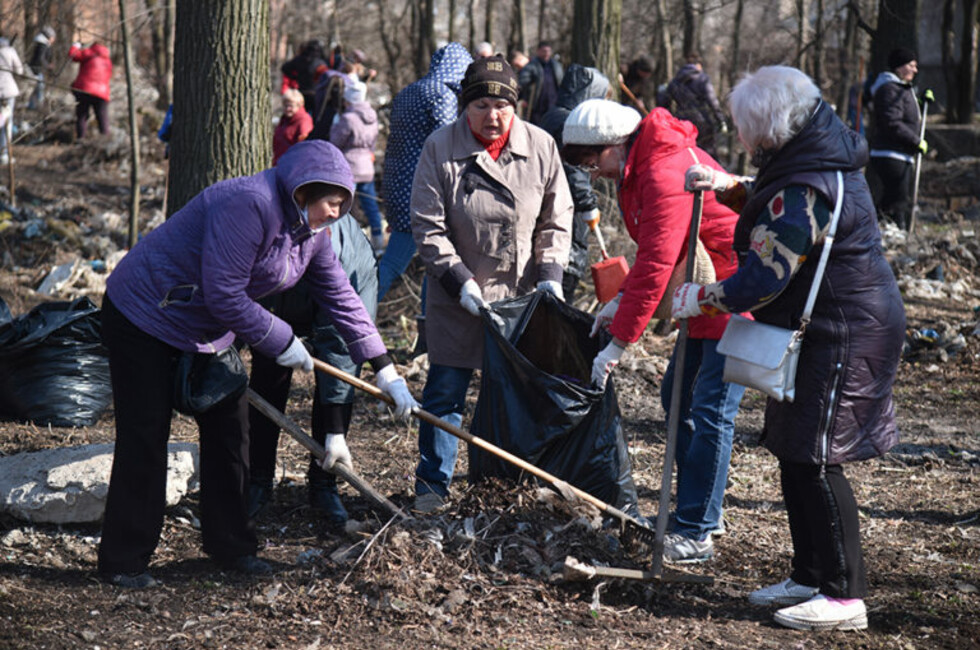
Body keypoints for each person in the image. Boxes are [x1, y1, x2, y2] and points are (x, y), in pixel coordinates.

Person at [97, 140, 418, 588]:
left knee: (231, 431)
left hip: (204, 326)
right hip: (146, 312)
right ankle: (123, 560)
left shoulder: (312, 235)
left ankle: (231, 547)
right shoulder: (249, 204)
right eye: (332, 202)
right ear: (305, 189)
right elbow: (224, 291)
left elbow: (343, 298)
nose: (337, 213)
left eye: (345, 204)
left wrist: (386, 370)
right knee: (146, 434)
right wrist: (281, 340)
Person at [675, 66, 904, 631]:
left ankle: (844, 595)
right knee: (793, 447)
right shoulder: (814, 153)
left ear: (769, 127)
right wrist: (730, 187)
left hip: (844, 331)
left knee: (819, 458)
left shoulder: (810, 181)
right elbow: (778, 204)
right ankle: (808, 574)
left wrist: (702, 296)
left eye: (746, 131)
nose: (745, 142)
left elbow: (767, 275)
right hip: (821, 323)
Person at [560, 99, 746, 563]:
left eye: (590, 159)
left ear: (614, 144)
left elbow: (659, 263)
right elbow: (654, 255)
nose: (590, 172)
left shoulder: (662, 172)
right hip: (701, 292)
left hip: (735, 291)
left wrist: (619, 343)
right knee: (677, 398)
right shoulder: (641, 166)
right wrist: (621, 300)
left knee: (709, 411)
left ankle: (698, 529)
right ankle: (697, 509)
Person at [410, 55, 573, 512]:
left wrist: (551, 277)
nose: (493, 116)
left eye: (502, 105)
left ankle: (503, 486)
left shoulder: (541, 146)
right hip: (457, 298)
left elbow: (556, 219)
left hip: (521, 301)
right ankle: (432, 487)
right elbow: (427, 226)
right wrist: (458, 280)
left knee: (514, 398)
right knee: (445, 392)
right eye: (481, 104)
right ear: (465, 106)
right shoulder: (439, 148)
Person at [247, 209, 379, 530]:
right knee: (270, 368)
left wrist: (335, 435)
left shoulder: (350, 266)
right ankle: (257, 480)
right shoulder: (271, 240)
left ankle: (323, 484)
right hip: (279, 289)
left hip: (340, 291)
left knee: (337, 379)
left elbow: (341, 353)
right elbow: (243, 307)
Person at [378, 42, 472, 301]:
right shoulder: (443, 95)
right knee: (418, 261)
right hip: (424, 190)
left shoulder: (408, 92)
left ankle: (426, 324)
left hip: (397, 184)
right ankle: (353, 319)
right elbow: (445, 144)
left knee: (414, 260)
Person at [538, 65, 611, 300]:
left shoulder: (553, 115)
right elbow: (573, 168)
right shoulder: (568, 123)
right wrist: (588, 203)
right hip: (563, 220)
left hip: (550, 213)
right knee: (559, 295)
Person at [867, 48, 928, 231]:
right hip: (890, 154)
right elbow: (891, 122)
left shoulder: (899, 89)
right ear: (900, 67)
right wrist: (915, 141)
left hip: (899, 154)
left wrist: (921, 101)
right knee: (898, 200)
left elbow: (905, 112)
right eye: (912, 65)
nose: (915, 70)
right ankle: (894, 232)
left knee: (893, 198)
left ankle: (878, 230)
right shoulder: (889, 89)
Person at [330, 80, 385, 253]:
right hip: (366, 167)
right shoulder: (372, 117)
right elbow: (373, 142)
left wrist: (335, 124)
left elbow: (336, 141)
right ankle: (378, 240)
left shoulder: (348, 118)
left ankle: (345, 242)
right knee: (371, 205)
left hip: (349, 168)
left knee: (344, 206)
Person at [658, 52, 727, 158]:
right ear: (698, 65)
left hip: (682, 123)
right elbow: (712, 100)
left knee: (686, 153)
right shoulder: (703, 79)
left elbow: (664, 103)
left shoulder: (675, 82)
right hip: (702, 121)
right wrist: (720, 119)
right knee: (708, 154)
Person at [68, 40, 112, 138]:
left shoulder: (89, 53)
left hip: (85, 90)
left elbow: (73, 55)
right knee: (102, 118)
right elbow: (109, 75)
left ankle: (81, 139)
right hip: (102, 93)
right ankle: (106, 141)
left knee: (82, 116)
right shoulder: (107, 60)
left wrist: (75, 46)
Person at [518, 41, 564, 125]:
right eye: (544, 51)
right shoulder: (531, 66)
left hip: (553, 104)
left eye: (548, 51)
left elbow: (561, 83)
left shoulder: (556, 66)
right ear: (538, 51)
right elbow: (522, 82)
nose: (546, 54)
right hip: (537, 106)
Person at [281, 39, 328, 115]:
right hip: (314, 93)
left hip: (302, 92)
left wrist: (295, 77)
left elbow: (285, 68)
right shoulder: (321, 62)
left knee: (301, 115)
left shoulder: (300, 59)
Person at [272, 88, 313, 165]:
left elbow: (304, 145)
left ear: (299, 105)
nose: (288, 109)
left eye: (291, 106)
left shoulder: (304, 120)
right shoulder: (284, 120)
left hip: (293, 165)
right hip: (279, 162)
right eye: (285, 106)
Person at [0, 37, 23, 165]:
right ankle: (4, 153)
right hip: (8, 91)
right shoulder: (10, 51)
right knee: (6, 121)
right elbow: (19, 70)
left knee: (1, 120)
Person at [27, 26, 55, 110]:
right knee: (39, 88)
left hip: (37, 69)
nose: (54, 39)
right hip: (36, 70)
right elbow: (40, 58)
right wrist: (48, 65)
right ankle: (38, 106)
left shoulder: (43, 44)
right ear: (49, 36)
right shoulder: (42, 45)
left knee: (37, 88)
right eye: (53, 37)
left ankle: (33, 105)